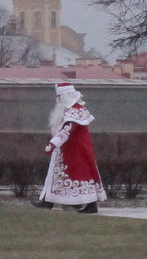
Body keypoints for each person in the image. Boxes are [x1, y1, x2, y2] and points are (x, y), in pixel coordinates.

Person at [31, 81, 106, 213]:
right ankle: (48, 201)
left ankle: (89, 205)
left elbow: (67, 130)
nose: (57, 100)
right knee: (61, 177)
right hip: (68, 151)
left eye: (59, 97)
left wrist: (53, 144)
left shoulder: (76, 111)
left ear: (65, 96)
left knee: (82, 177)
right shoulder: (72, 110)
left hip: (76, 152)